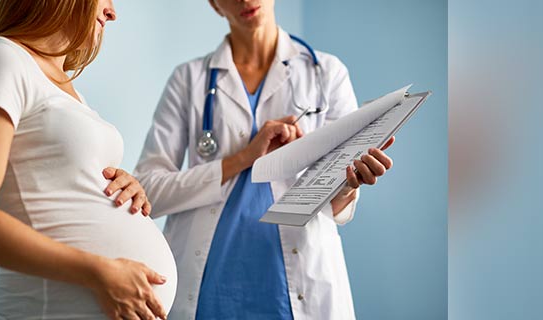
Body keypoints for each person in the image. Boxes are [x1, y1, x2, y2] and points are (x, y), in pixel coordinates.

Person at [133, 0, 396, 318]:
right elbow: (147, 192)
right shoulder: (188, 80)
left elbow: (337, 203)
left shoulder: (326, 73)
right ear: (214, 4)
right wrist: (244, 157)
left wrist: (349, 185)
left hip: (296, 285)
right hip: (208, 288)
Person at [0, 0, 177, 319]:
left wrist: (121, 188)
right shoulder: (1, 59)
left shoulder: (69, 91)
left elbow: (56, 183)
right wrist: (98, 272)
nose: (112, 12)